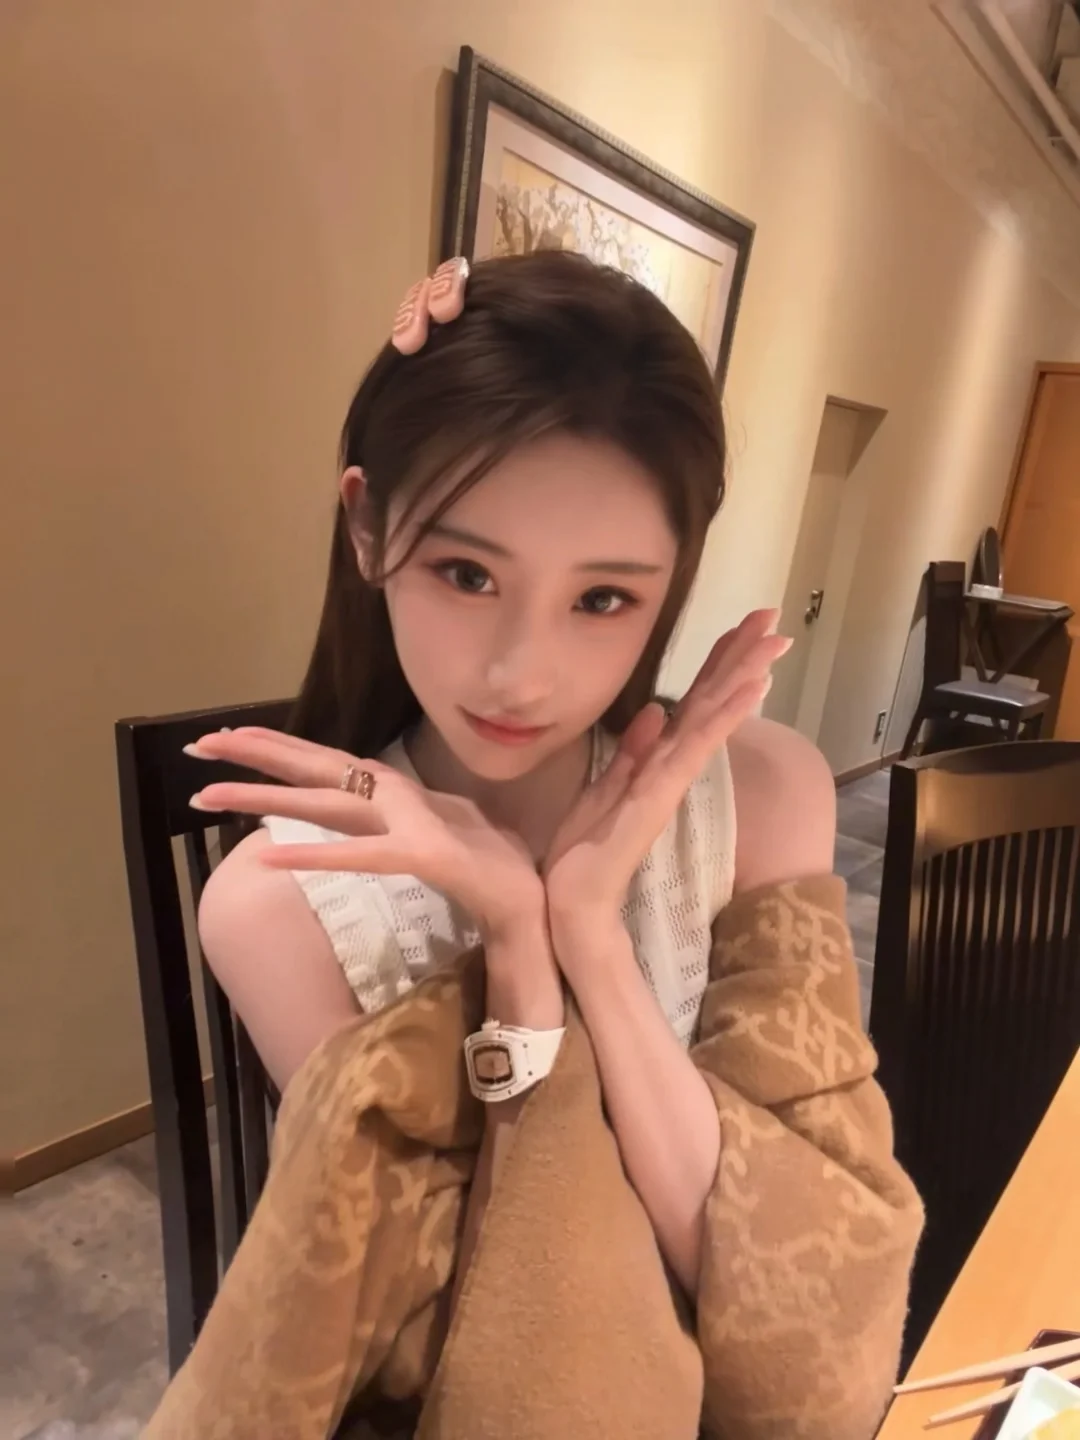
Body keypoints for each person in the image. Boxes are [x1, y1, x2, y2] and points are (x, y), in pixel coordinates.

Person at [185, 249, 836, 1304]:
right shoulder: (282, 905)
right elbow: (460, 1328)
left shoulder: (766, 801)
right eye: (467, 573)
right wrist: (521, 948)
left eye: (602, 599)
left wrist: (588, 933)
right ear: (367, 527)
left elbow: (784, 1275)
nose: (520, 675)